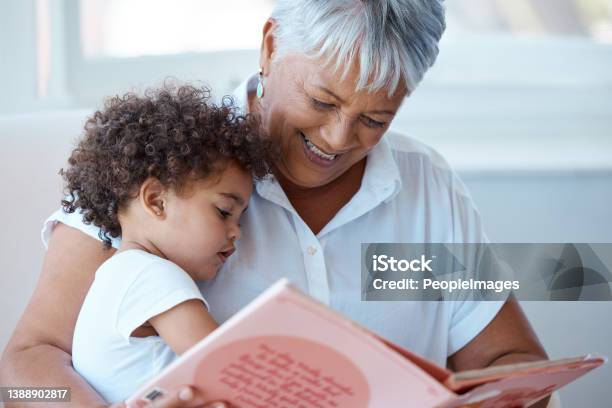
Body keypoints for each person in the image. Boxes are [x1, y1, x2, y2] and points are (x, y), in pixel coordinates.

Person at [0, 1, 550, 407]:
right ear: (270, 47)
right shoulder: (159, 170)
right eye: (321, 100)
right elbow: (25, 370)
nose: (337, 138)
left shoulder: (426, 187)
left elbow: (512, 364)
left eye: (375, 119)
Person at [60, 85, 270, 404]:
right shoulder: (152, 276)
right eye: (224, 212)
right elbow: (229, 369)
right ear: (156, 201)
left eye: (239, 219)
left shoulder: (117, 274)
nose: (236, 232)